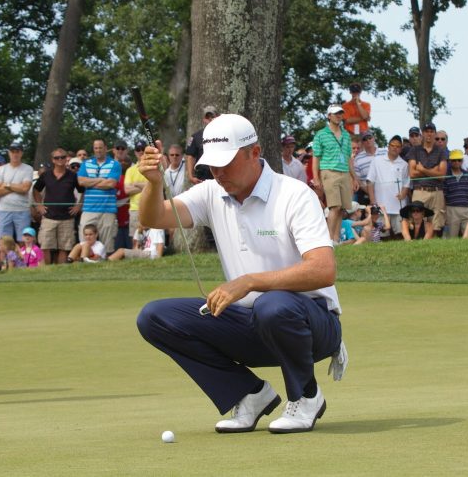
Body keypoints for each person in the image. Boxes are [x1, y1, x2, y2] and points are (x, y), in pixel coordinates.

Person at [136, 114, 346, 434]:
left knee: (272, 304)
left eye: (227, 163)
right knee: (154, 317)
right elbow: (154, 217)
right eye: (213, 166)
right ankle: (249, 395)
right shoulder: (211, 193)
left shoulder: (293, 193)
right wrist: (153, 183)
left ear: (253, 152)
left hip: (312, 326)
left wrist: (249, 282)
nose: (219, 173)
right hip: (252, 325)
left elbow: (323, 269)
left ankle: (307, 396)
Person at [312, 104, 358, 243]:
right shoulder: (321, 134)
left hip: (344, 172)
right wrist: (316, 177)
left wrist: (354, 177)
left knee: (342, 208)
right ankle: (327, 240)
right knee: (334, 206)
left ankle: (336, 239)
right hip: (329, 171)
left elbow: (349, 158)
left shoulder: (346, 135)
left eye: (340, 113)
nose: (339, 116)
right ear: (329, 116)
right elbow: (316, 157)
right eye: (335, 113)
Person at [32, 148, 83, 264]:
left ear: (66, 159)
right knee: (45, 246)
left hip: (67, 217)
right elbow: (35, 190)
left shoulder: (72, 176)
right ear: (52, 160)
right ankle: (46, 272)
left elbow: (82, 191)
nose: (60, 160)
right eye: (57, 158)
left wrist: (78, 206)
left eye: (63, 157)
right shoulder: (46, 175)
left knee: (64, 247)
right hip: (49, 217)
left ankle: (60, 271)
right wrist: (39, 205)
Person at [77, 139, 122, 254]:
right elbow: (81, 181)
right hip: (89, 209)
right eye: (96, 148)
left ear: (106, 148)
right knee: (84, 241)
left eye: (100, 148)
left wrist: (91, 183)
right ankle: (85, 262)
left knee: (107, 244)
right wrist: (100, 180)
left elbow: (111, 184)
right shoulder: (86, 164)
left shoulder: (115, 164)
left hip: (107, 210)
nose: (98, 150)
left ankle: (105, 268)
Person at [407, 122, 448, 232]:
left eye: (431, 132)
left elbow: (442, 176)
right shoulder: (414, 150)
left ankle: (434, 249)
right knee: (418, 224)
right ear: (422, 134)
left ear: (434, 134)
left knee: (436, 226)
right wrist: (434, 171)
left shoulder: (441, 151)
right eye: (426, 131)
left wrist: (422, 169)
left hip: (437, 191)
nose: (429, 134)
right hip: (420, 191)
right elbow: (412, 174)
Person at [366, 136, 410, 237]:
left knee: (400, 235)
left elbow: (407, 183)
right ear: (388, 147)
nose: (395, 148)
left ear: (401, 149)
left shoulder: (404, 164)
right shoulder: (376, 161)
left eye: (398, 146)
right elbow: (370, 182)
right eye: (392, 145)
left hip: (399, 207)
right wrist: (373, 202)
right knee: (380, 236)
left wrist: (403, 193)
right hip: (381, 206)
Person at [0, 140, 33, 242]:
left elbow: (25, 189)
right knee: (4, 243)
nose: (15, 154)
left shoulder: (28, 169)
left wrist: (7, 185)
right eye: (12, 151)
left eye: (17, 151)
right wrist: (17, 187)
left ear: (21, 153)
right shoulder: (1, 169)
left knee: (23, 242)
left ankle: (23, 259)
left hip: (22, 210)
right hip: (3, 209)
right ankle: (7, 259)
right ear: (9, 153)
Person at [443, 149, 468, 238]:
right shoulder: (446, 176)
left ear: (462, 161)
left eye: (459, 160)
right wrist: (445, 211)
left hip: (466, 209)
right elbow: (444, 195)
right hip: (451, 209)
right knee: (452, 237)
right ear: (450, 161)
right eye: (454, 160)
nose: (456, 162)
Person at [186, 105, 219, 185]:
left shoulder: (225, 135)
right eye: (208, 117)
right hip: (202, 178)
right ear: (204, 119)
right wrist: (191, 176)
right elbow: (190, 156)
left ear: (217, 117)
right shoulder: (196, 137)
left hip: (219, 177)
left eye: (212, 116)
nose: (210, 119)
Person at [353, 130, 385, 205]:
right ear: (362, 142)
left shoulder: (385, 152)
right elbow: (358, 180)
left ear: (374, 138)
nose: (368, 140)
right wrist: (371, 193)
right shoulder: (358, 158)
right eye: (365, 139)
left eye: (369, 138)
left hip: (387, 190)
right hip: (368, 194)